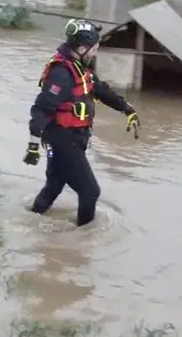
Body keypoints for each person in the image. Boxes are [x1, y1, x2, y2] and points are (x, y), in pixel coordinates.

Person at [24, 19, 140, 227]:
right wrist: (33, 146)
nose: (96, 53)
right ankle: (83, 239)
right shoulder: (61, 74)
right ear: (81, 48)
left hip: (70, 140)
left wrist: (127, 109)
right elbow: (41, 109)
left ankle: (32, 221)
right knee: (90, 192)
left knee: (55, 184)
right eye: (94, 48)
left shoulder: (79, 67)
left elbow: (101, 89)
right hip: (63, 142)